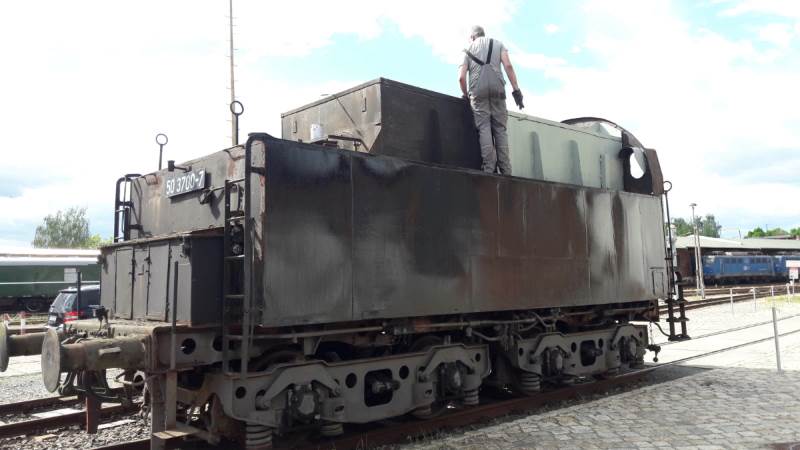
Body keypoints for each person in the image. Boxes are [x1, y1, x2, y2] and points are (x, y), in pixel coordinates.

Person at [459, 25, 523, 175]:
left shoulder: (467, 50)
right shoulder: (498, 44)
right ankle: (506, 170)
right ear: (483, 34)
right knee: (500, 129)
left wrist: (465, 95)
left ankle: (489, 169)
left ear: (472, 37)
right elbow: (508, 66)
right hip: (497, 89)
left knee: (484, 128)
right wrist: (516, 90)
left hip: (478, 91)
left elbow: (461, 78)